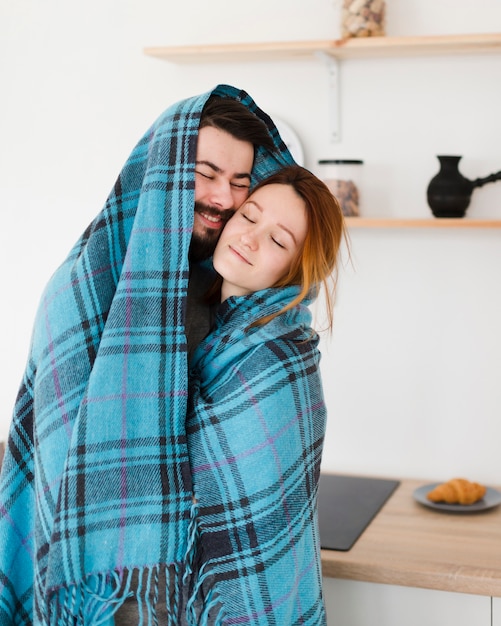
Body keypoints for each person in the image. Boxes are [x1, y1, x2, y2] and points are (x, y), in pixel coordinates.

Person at [0, 84, 295, 625]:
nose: (224, 199)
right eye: (204, 173)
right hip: (108, 592)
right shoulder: (81, 293)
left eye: (239, 182)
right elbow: (67, 474)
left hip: (193, 582)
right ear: (162, 170)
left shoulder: (222, 285)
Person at [184, 165, 346, 625]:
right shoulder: (203, 324)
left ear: (296, 270)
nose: (250, 238)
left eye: (278, 241)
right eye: (249, 216)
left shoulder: (277, 358)